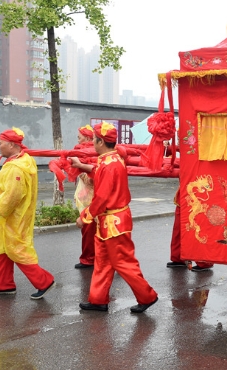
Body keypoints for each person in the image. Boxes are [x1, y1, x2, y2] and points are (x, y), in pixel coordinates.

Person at [74, 122, 159, 313]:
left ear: (100, 141)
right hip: (109, 221)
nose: (93, 143)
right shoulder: (111, 159)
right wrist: (82, 166)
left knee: (123, 262)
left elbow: (101, 197)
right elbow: (99, 173)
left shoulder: (109, 164)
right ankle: (98, 299)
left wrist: (85, 216)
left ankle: (147, 296)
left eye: (94, 140)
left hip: (114, 221)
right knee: (103, 262)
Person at [0, 128, 56, 299]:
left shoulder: (16, 168)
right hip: (12, 216)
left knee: (17, 250)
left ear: (10, 145)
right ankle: (3, 285)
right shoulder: (23, 160)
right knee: (2, 248)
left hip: (13, 217)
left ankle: (44, 281)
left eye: (0, 143)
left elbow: (12, 196)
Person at [167, 187, 215, 272]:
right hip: (183, 197)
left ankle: (204, 262)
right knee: (178, 230)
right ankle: (178, 257)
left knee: (198, 229)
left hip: (200, 198)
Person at [72, 125, 96, 269]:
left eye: (79, 137)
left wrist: (80, 170)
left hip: (91, 198)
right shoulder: (83, 152)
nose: (78, 140)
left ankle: (88, 259)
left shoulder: (87, 153)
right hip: (88, 197)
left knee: (88, 228)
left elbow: (91, 180)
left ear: (87, 138)